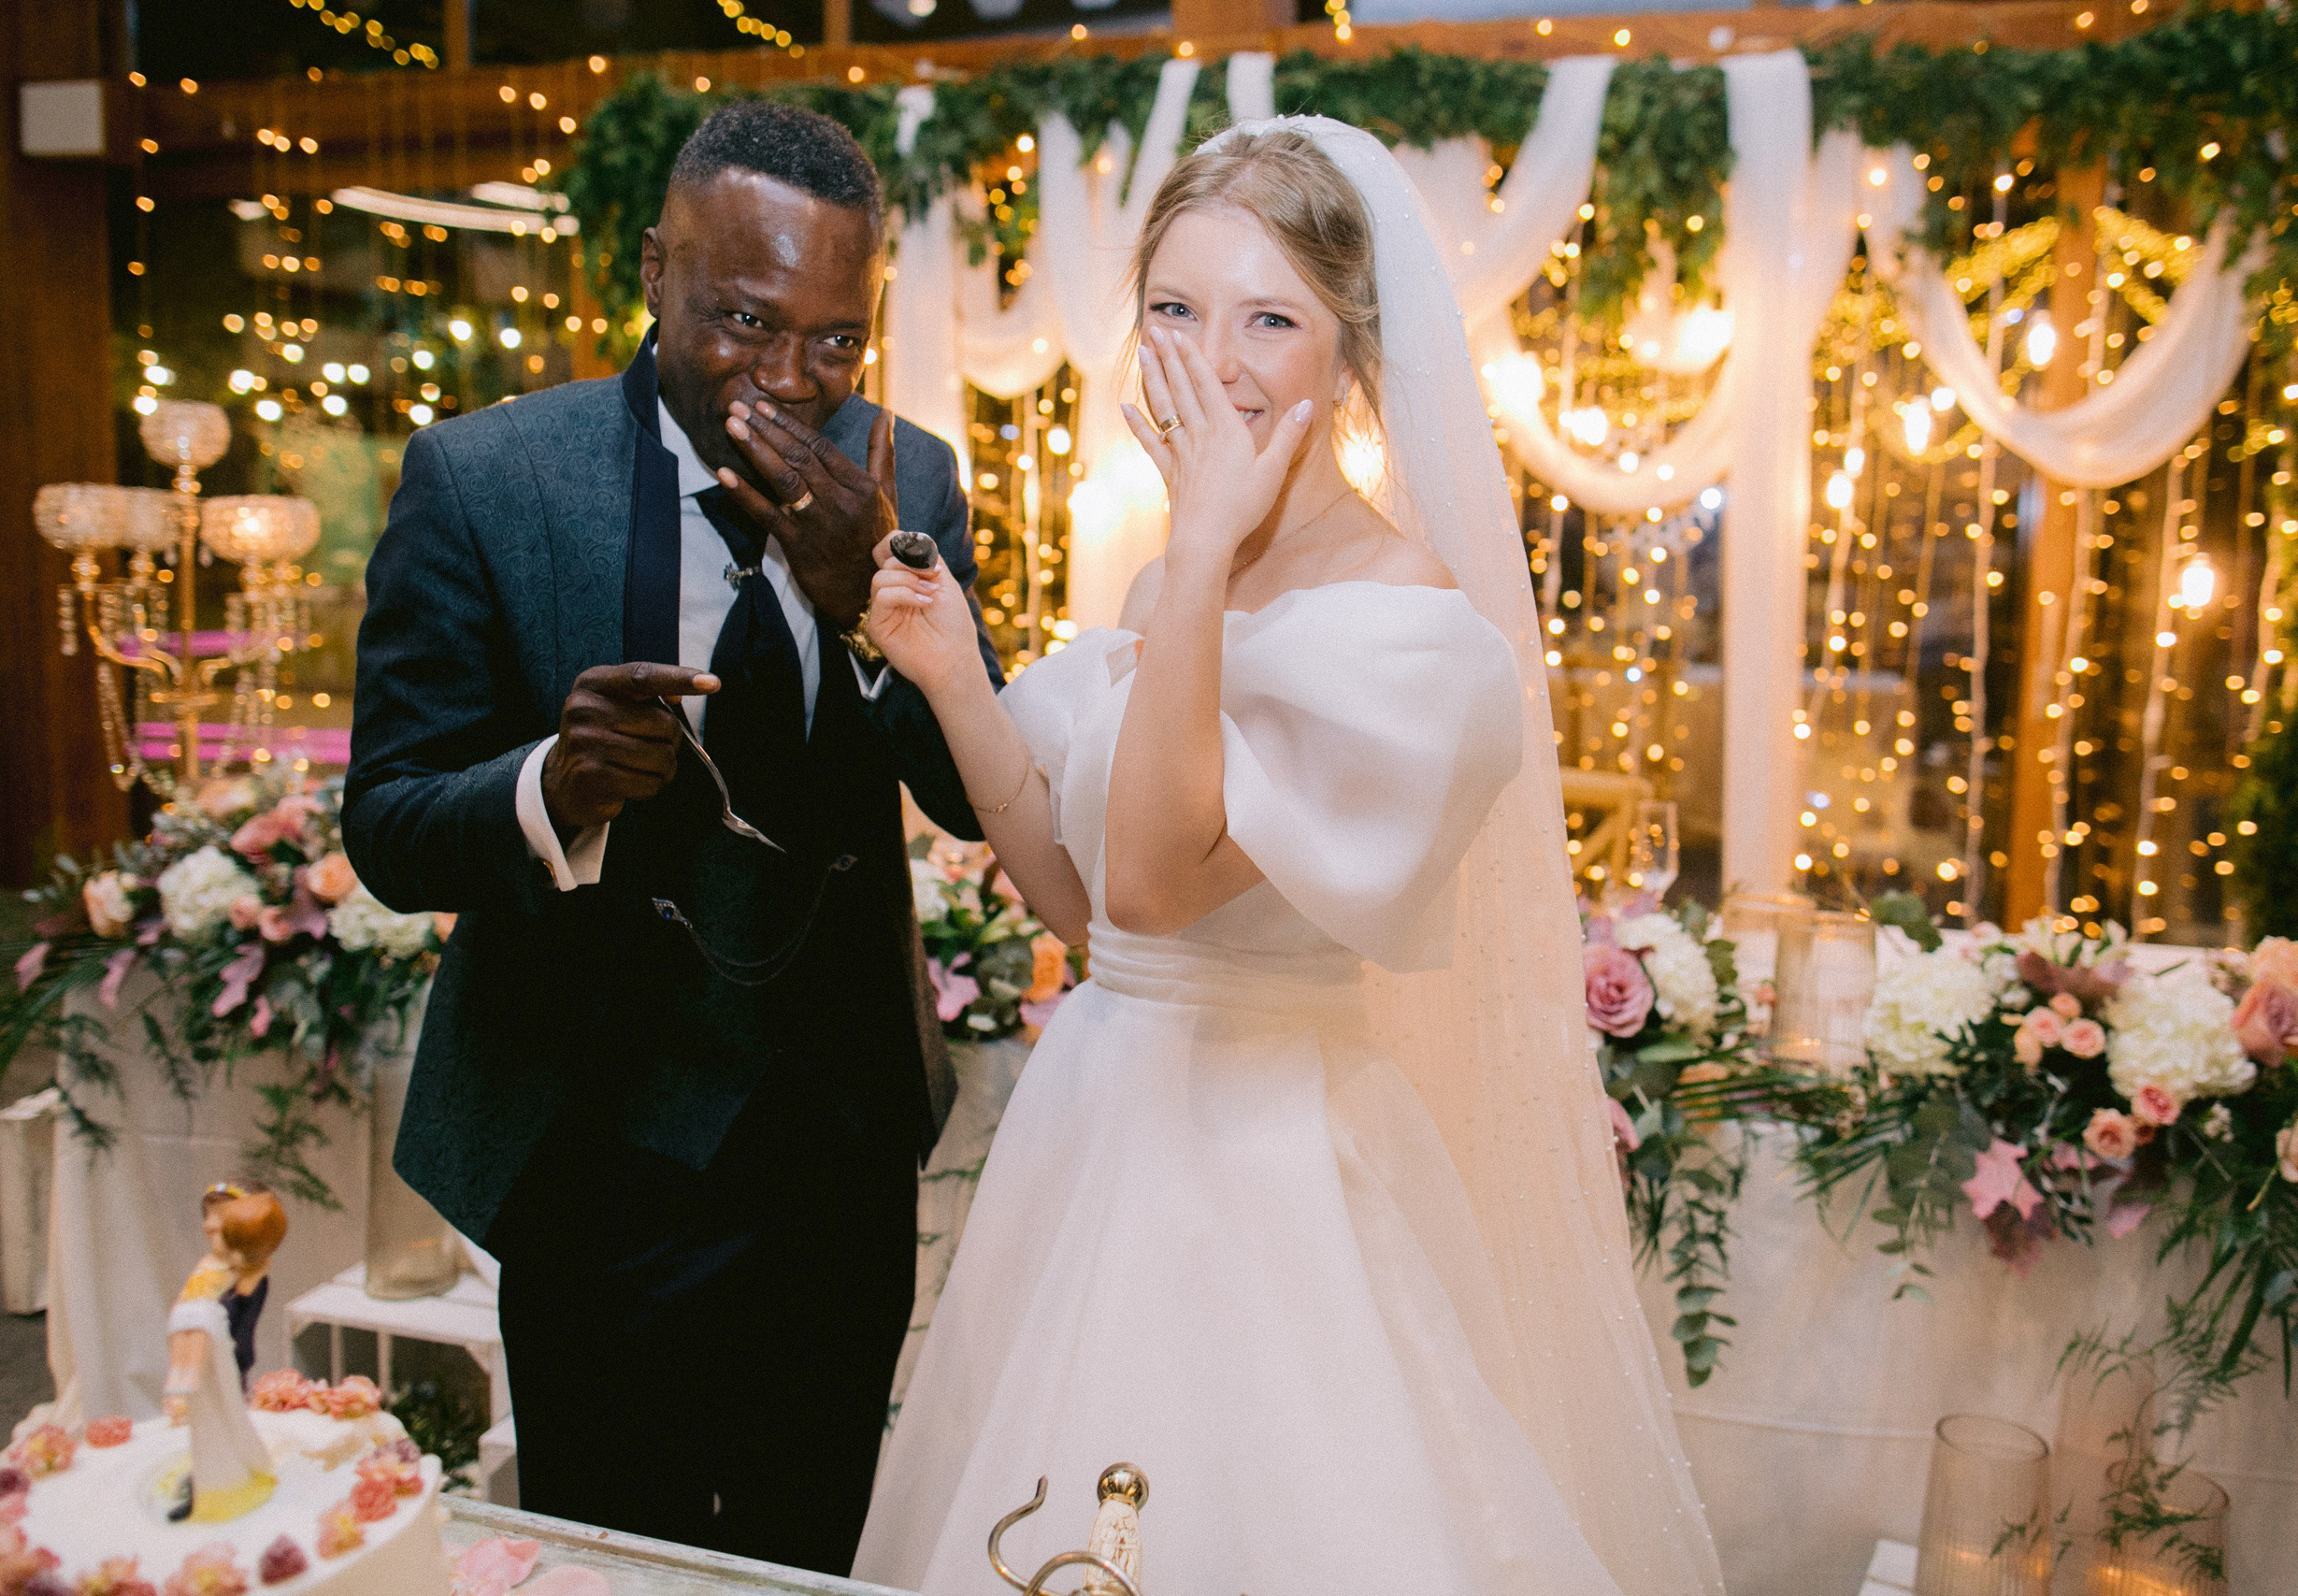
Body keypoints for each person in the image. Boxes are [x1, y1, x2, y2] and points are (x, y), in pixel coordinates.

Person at [850, 121, 1726, 1596]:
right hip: (1094, 1124)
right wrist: (952, 678)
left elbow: (1163, 877)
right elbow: (1091, 914)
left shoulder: (1406, 614)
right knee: (1059, 1536)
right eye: (1178, 311)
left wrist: (1199, 552)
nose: (1216, 359)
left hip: (1261, 1169)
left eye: (1269, 319)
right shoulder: (1160, 575)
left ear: (1349, 354)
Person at [343, 100, 999, 1571]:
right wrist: (549, 785)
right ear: (654, 269)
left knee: (808, 1539)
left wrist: (868, 609)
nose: (788, 380)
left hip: (836, 1144)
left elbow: (976, 790)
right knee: (608, 1550)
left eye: (837, 341)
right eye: (745, 322)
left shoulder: (916, 479)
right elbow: (386, 821)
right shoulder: (490, 479)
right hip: (594, 1145)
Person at [163, 1182, 287, 1522]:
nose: (209, 1226)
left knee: (223, 1421)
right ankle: (206, 1477)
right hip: (195, 1359)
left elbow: (234, 1319)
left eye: (219, 1220)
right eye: (208, 1219)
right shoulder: (207, 1266)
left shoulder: (248, 1275)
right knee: (202, 1423)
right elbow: (187, 1301)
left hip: (223, 1361)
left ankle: (227, 1479)